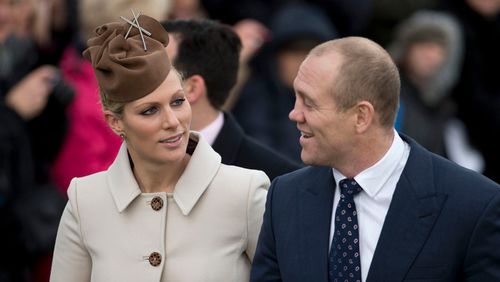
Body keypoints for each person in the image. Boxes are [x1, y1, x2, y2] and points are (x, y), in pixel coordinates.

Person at [250, 37, 500, 282]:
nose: (294, 114)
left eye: (310, 103)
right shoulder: (284, 197)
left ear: (361, 116)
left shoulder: (474, 206)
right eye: (295, 97)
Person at [50, 14, 270, 282]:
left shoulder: (245, 193)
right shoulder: (85, 202)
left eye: (178, 102)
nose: (172, 121)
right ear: (115, 121)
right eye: (150, 110)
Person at [161, 19, 300, 180]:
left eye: (157, 69)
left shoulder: (278, 179)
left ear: (191, 89)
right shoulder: (130, 157)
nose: (136, 77)